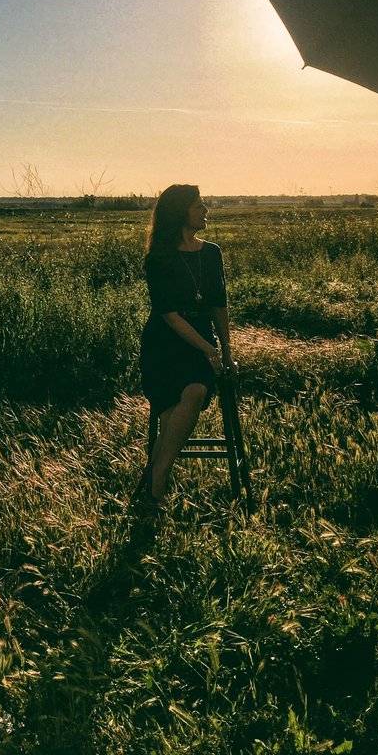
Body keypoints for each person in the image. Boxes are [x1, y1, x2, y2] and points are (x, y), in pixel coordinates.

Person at [138, 184, 235, 511]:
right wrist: (210, 350)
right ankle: (156, 484)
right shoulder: (159, 258)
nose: (206, 210)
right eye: (198, 205)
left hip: (200, 339)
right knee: (171, 413)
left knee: (195, 391)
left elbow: (219, 305)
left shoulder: (211, 253)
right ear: (181, 212)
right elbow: (169, 315)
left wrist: (226, 350)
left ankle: (154, 480)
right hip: (164, 345)